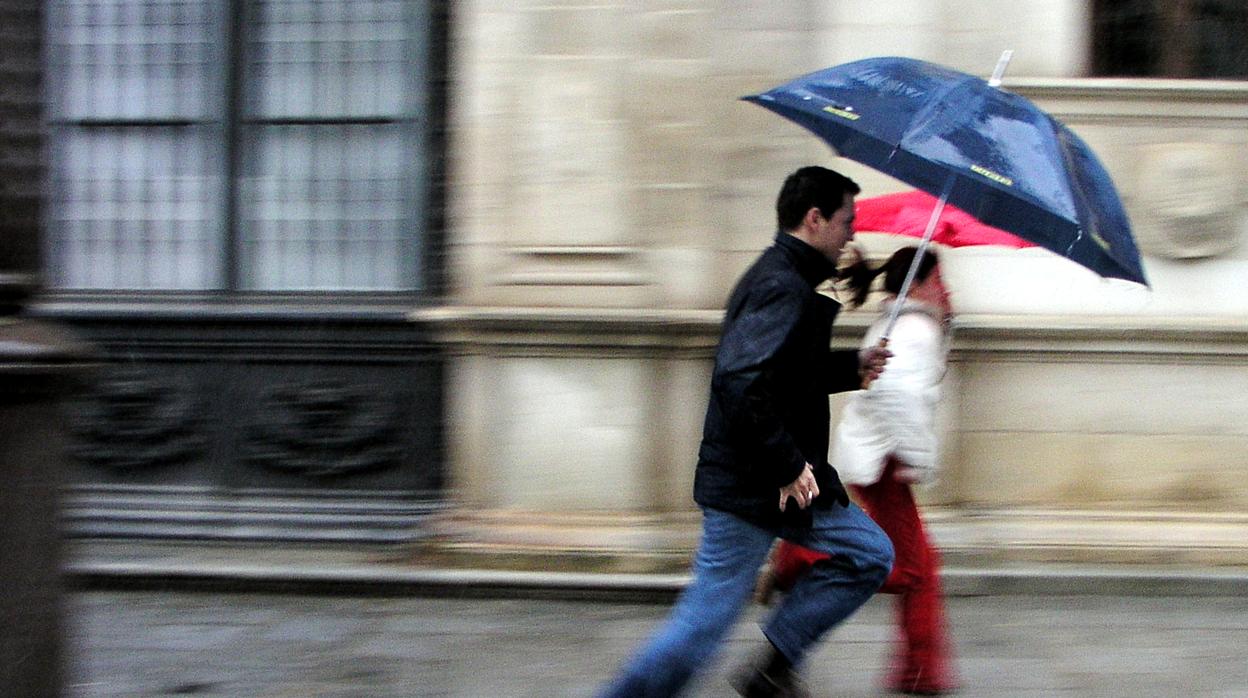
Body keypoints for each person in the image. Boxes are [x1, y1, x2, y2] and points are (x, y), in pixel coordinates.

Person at [597, 166, 895, 698]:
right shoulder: (780, 283)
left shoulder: (792, 279)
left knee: (869, 553)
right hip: (754, 485)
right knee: (700, 629)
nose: (853, 233)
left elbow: (787, 376)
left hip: (789, 483)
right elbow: (740, 381)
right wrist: (787, 465)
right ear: (815, 218)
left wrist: (855, 366)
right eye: (847, 220)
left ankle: (772, 667)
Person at [761, 246, 960, 695]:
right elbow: (896, 398)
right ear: (919, 285)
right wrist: (914, 458)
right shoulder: (915, 330)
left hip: (877, 457)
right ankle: (802, 561)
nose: (946, 290)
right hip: (888, 461)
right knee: (912, 569)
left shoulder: (903, 324)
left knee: (922, 565)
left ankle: (919, 671)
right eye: (939, 281)